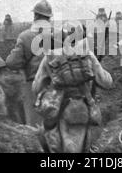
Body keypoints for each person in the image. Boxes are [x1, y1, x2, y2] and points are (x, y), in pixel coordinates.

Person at [32, 24, 113, 153]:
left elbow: (36, 87)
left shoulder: (50, 57)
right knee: (93, 140)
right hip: (86, 108)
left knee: (44, 133)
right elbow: (107, 83)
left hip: (60, 109)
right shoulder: (87, 55)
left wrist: (49, 87)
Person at [6, 0, 53, 126]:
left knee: (35, 128)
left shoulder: (26, 36)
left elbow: (12, 63)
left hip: (34, 86)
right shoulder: (59, 35)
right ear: (49, 18)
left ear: (35, 16)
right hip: (58, 85)